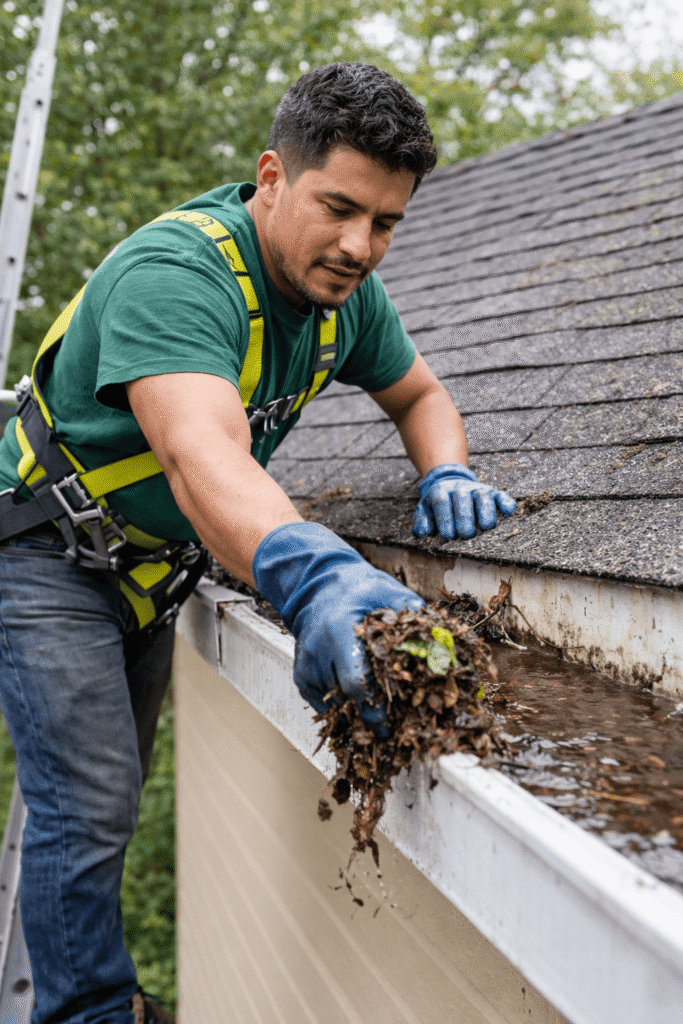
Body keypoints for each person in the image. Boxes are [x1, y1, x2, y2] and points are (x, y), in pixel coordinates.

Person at [0, 62, 516, 1024]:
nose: (360, 246)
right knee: (91, 801)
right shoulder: (178, 276)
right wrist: (316, 571)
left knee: (113, 791)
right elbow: (202, 459)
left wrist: (446, 468)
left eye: (387, 222)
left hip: (154, 570)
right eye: (340, 207)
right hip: (45, 553)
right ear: (272, 178)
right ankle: (85, 1014)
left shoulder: (344, 295)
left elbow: (419, 394)